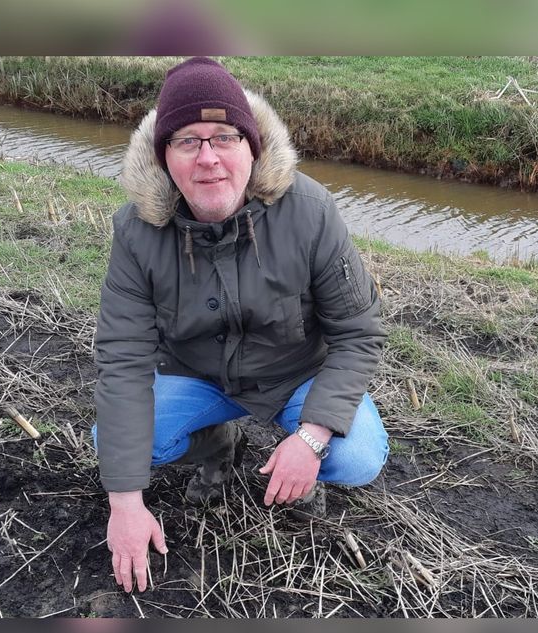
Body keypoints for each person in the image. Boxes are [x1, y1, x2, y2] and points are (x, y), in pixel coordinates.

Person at [93, 57, 389, 593]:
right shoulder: (135, 233)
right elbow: (122, 360)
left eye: (225, 138)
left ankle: (300, 471)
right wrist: (125, 504)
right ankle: (216, 445)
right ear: (164, 157)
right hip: (198, 376)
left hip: (296, 375)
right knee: (116, 443)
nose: (208, 158)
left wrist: (312, 437)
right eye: (187, 141)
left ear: (251, 147)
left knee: (357, 456)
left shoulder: (311, 211)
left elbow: (358, 332)